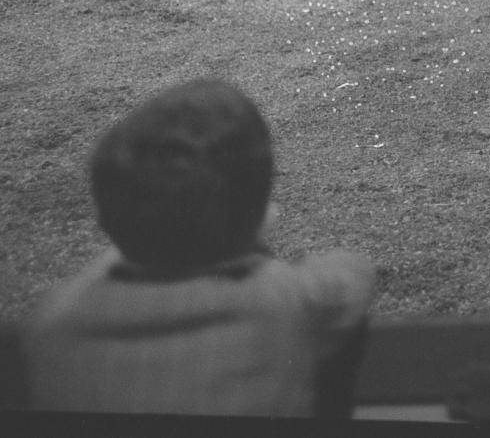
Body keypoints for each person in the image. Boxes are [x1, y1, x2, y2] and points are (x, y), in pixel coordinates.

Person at [22, 79, 376, 418]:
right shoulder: (292, 301)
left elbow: (101, 269)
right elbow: (354, 272)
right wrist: (252, 234)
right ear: (253, 218)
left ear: (107, 221)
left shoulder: (55, 322)